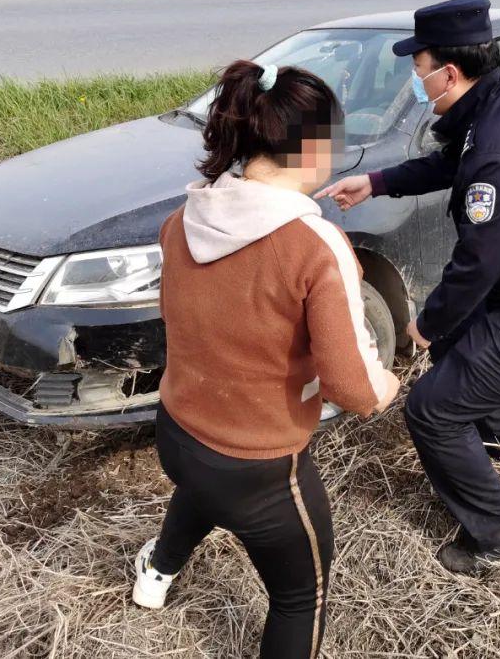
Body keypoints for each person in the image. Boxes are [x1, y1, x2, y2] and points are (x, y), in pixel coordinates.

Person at [316, 0, 500, 575]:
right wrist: (376, 182)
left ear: (449, 72)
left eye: (418, 66)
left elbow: (479, 261)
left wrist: (424, 325)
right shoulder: (499, 108)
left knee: (431, 409)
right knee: (459, 350)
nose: (415, 76)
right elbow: (454, 165)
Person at [132, 60, 400, 659]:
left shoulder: (180, 222)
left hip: (178, 433)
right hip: (260, 470)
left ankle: (155, 574)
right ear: (312, 149)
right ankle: (159, 568)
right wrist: (388, 383)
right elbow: (353, 389)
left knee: (201, 487)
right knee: (301, 597)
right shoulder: (314, 243)